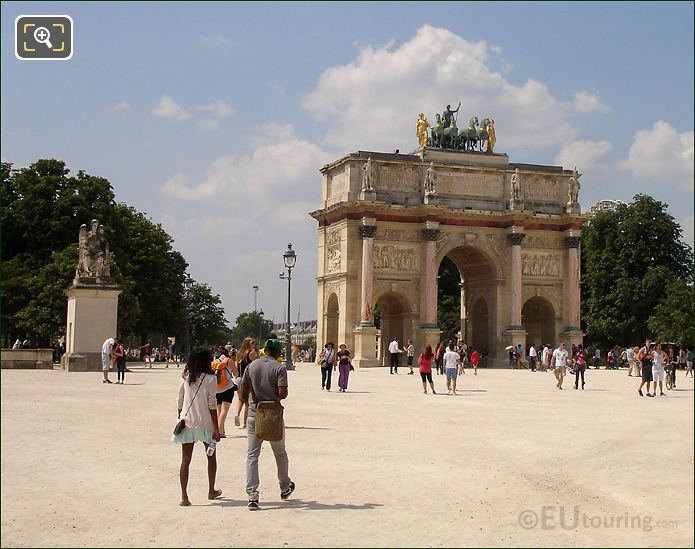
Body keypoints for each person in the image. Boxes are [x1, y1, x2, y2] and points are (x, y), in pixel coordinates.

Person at [238, 339, 294, 510]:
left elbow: (243, 392)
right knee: (279, 452)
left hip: (255, 413)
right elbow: (282, 393)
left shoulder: (252, 366)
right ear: (277, 352)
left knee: (252, 455)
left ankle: (252, 495)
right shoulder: (279, 367)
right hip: (273, 414)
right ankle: (285, 486)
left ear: (265, 350)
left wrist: (255, 394)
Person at [172, 348, 221, 506]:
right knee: (211, 456)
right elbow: (212, 404)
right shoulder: (210, 378)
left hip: (187, 422)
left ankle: (184, 496)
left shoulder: (186, 376)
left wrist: (180, 416)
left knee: (185, 460)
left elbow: (180, 399)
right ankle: (211, 489)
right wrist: (217, 428)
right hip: (205, 422)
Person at [213, 348, 240, 438]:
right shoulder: (230, 361)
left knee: (218, 410)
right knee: (224, 411)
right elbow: (236, 374)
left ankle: (221, 431)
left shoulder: (214, 362)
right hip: (227, 388)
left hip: (216, 389)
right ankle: (219, 431)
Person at [234, 338, 258, 429]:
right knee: (248, 402)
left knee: (241, 399)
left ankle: (237, 414)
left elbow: (236, 367)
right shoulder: (251, 353)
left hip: (239, 378)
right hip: (246, 379)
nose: (254, 344)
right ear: (248, 344)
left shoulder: (239, 353)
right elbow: (255, 365)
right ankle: (245, 422)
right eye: (252, 343)